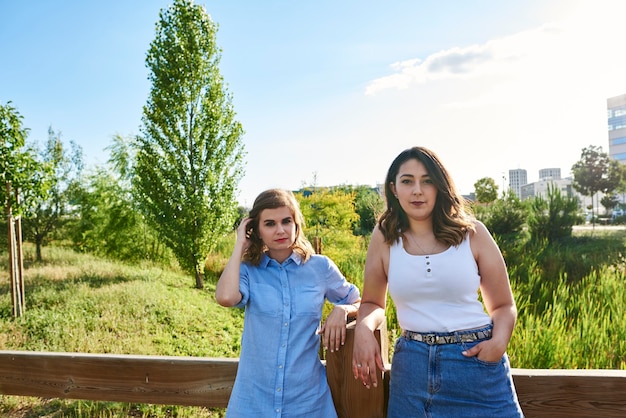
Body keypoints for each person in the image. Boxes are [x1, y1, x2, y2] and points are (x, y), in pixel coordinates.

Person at [352, 147, 524, 417]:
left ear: (440, 186)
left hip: (476, 364)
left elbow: (503, 305)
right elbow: (373, 302)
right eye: (407, 181)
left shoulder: (473, 233)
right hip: (412, 369)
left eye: (427, 180)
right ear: (394, 189)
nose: (417, 190)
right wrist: (363, 328)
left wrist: (498, 343)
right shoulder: (384, 237)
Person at [216, 188, 361, 418]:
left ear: (296, 224)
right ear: (256, 230)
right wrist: (239, 246)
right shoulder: (247, 271)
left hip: (307, 402)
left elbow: (361, 302)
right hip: (253, 402)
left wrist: (343, 309)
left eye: (286, 221)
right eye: (270, 224)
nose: (280, 230)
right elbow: (225, 297)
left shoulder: (320, 268)